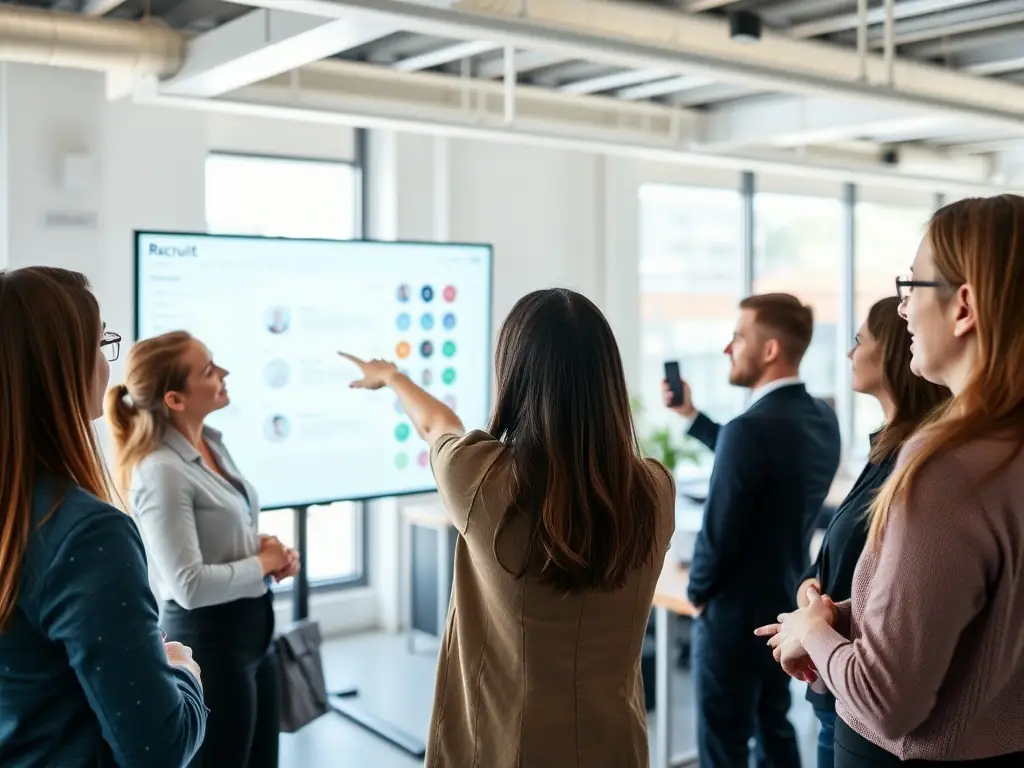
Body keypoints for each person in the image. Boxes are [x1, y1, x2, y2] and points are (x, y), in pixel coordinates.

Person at [339, 288, 675, 767]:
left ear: (514, 374)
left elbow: (438, 425)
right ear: (609, 380)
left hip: (507, 749)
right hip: (613, 745)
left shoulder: (477, 478)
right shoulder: (655, 490)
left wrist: (392, 378)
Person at [759, 195, 1024, 766]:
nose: (902, 310)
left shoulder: (947, 465)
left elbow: (886, 701)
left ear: (964, 307)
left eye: (913, 287)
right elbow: (988, 617)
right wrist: (842, 616)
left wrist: (815, 631)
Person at [0, 267, 206, 767]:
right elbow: (159, 748)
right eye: (101, 344)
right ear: (63, 366)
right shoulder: (87, 533)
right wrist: (183, 673)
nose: (106, 364)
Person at [663, 292, 841, 768]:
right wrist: (693, 419)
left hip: (729, 617)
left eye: (738, 336)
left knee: (723, 747)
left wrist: (696, 593)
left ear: (769, 350)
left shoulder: (750, 429)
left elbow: (718, 535)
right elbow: (757, 458)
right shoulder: (822, 418)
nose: (728, 347)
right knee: (774, 727)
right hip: (783, 608)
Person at [107, 330, 299, 768]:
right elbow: (188, 585)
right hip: (210, 643)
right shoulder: (159, 471)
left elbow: (220, 530)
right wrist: (260, 562)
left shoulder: (211, 442)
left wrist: (269, 554)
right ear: (175, 399)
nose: (224, 374)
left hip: (254, 635)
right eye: (209, 370)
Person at [796, 296, 949, 768]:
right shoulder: (886, 446)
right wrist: (810, 591)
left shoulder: (921, 462)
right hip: (839, 679)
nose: (849, 354)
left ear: (891, 354)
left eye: (858, 341)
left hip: (864, 697)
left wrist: (816, 626)